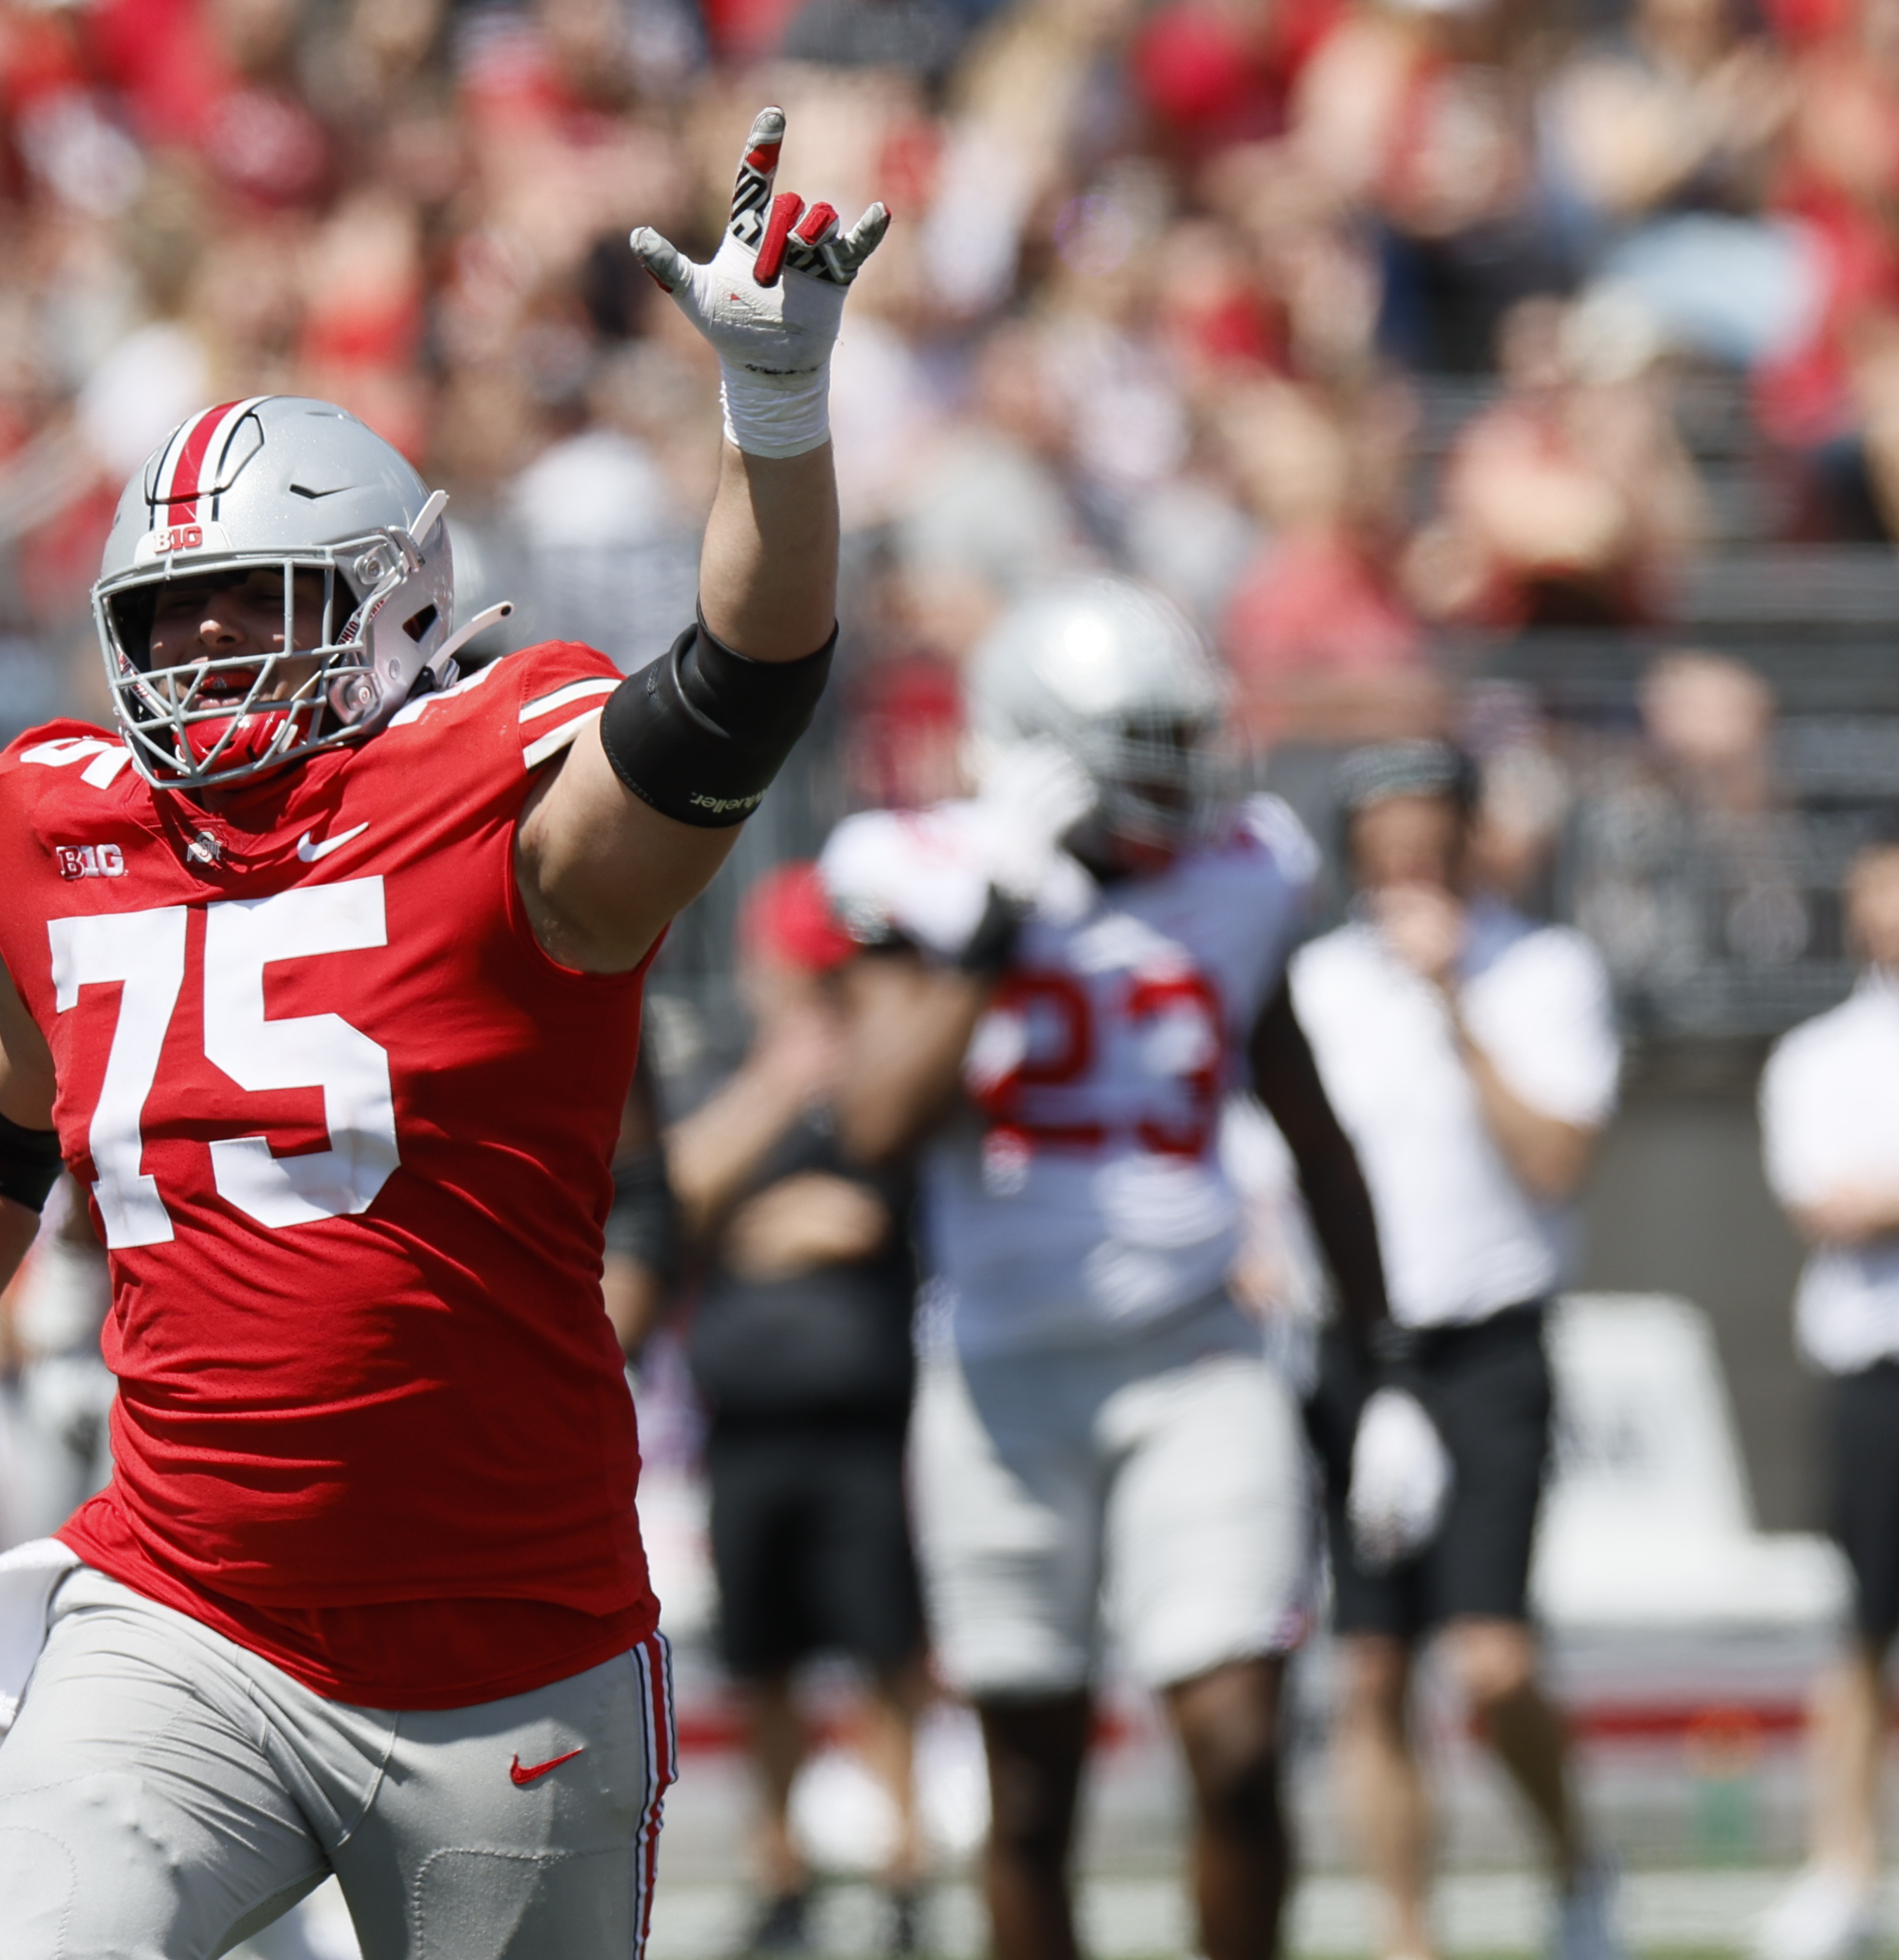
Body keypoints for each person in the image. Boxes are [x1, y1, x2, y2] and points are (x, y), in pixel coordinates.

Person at [0, 108, 889, 1959]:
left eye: (252, 603)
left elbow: (737, 689)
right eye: (170, 614)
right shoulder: (69, 824)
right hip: (180, 1611)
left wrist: (772, 417)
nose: (204, 652)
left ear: (398, 596)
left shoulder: (500, 802)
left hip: (504, 1654)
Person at [816, 576, 1407, 1960]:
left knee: (1240, 1744)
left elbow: (1305, 1116)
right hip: (1003, 1371)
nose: (1181, 779)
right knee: (1028, 1785)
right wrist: (995, 923)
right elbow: (876, 1125)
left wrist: (1388, 1367)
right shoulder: (922, 871)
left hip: (1195, 1348)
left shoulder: (1246, 871)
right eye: (1143, 747)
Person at [1289, 739, 1628, 1960]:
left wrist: (1452, 1005)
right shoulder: (1318, 982)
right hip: (1352, 1347)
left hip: (1487, 1340)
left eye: (1429, 824)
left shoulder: (1542, 971)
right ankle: (1404, 1930)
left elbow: (1555, 1158)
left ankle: (1579, 1865)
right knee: (1372, 1666)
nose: (1408, 852)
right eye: (1386, 827)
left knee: (1490, 1658)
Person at [665, 862, 931, 1956]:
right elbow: (681, 1195)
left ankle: (905, 1865)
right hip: (748, 1418)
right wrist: (777, 1086)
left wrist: (758, 1215)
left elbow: (863, 1218)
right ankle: (781, 1871)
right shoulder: (723, 1071)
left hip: (862, 1415)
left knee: (885, 1652)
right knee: (762, 1657)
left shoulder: (884, 1082)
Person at [1753, 825, 1899, 1960]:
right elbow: (1832, 1204)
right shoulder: (1823, 1054)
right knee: (1864, 1627)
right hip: (1877, 1367)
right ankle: (1841, 1867)